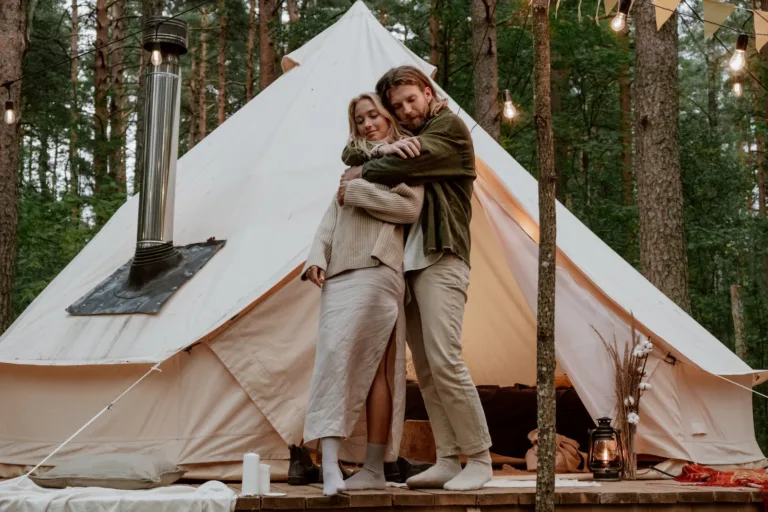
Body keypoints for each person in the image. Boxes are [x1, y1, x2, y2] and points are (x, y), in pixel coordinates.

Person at [338, 66, 493, 491]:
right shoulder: (405, 136)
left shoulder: (450, 127)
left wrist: (364, 173)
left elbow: (402, 164)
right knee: (425, 368)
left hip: (442, 255)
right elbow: (353, 152)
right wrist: (375, 157)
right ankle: (447, 457)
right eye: (398, 107)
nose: (406, 111)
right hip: (407, 266)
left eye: (412, 100)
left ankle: (479, 457)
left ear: (428, 92)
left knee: (446, 359)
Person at [301, 92, 424, 496]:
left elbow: (408, 209)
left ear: (389, 118)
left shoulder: (405, 157)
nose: (368, 123)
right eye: (360, 119)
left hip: (377, 266)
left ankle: (373, 465)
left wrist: (356, 191)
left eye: (375, 115)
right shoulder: (353, 167)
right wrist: (317, 255)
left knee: (377, 371)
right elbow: (331, 215)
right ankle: (332, 465)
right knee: (333, 361)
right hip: (340, 271)